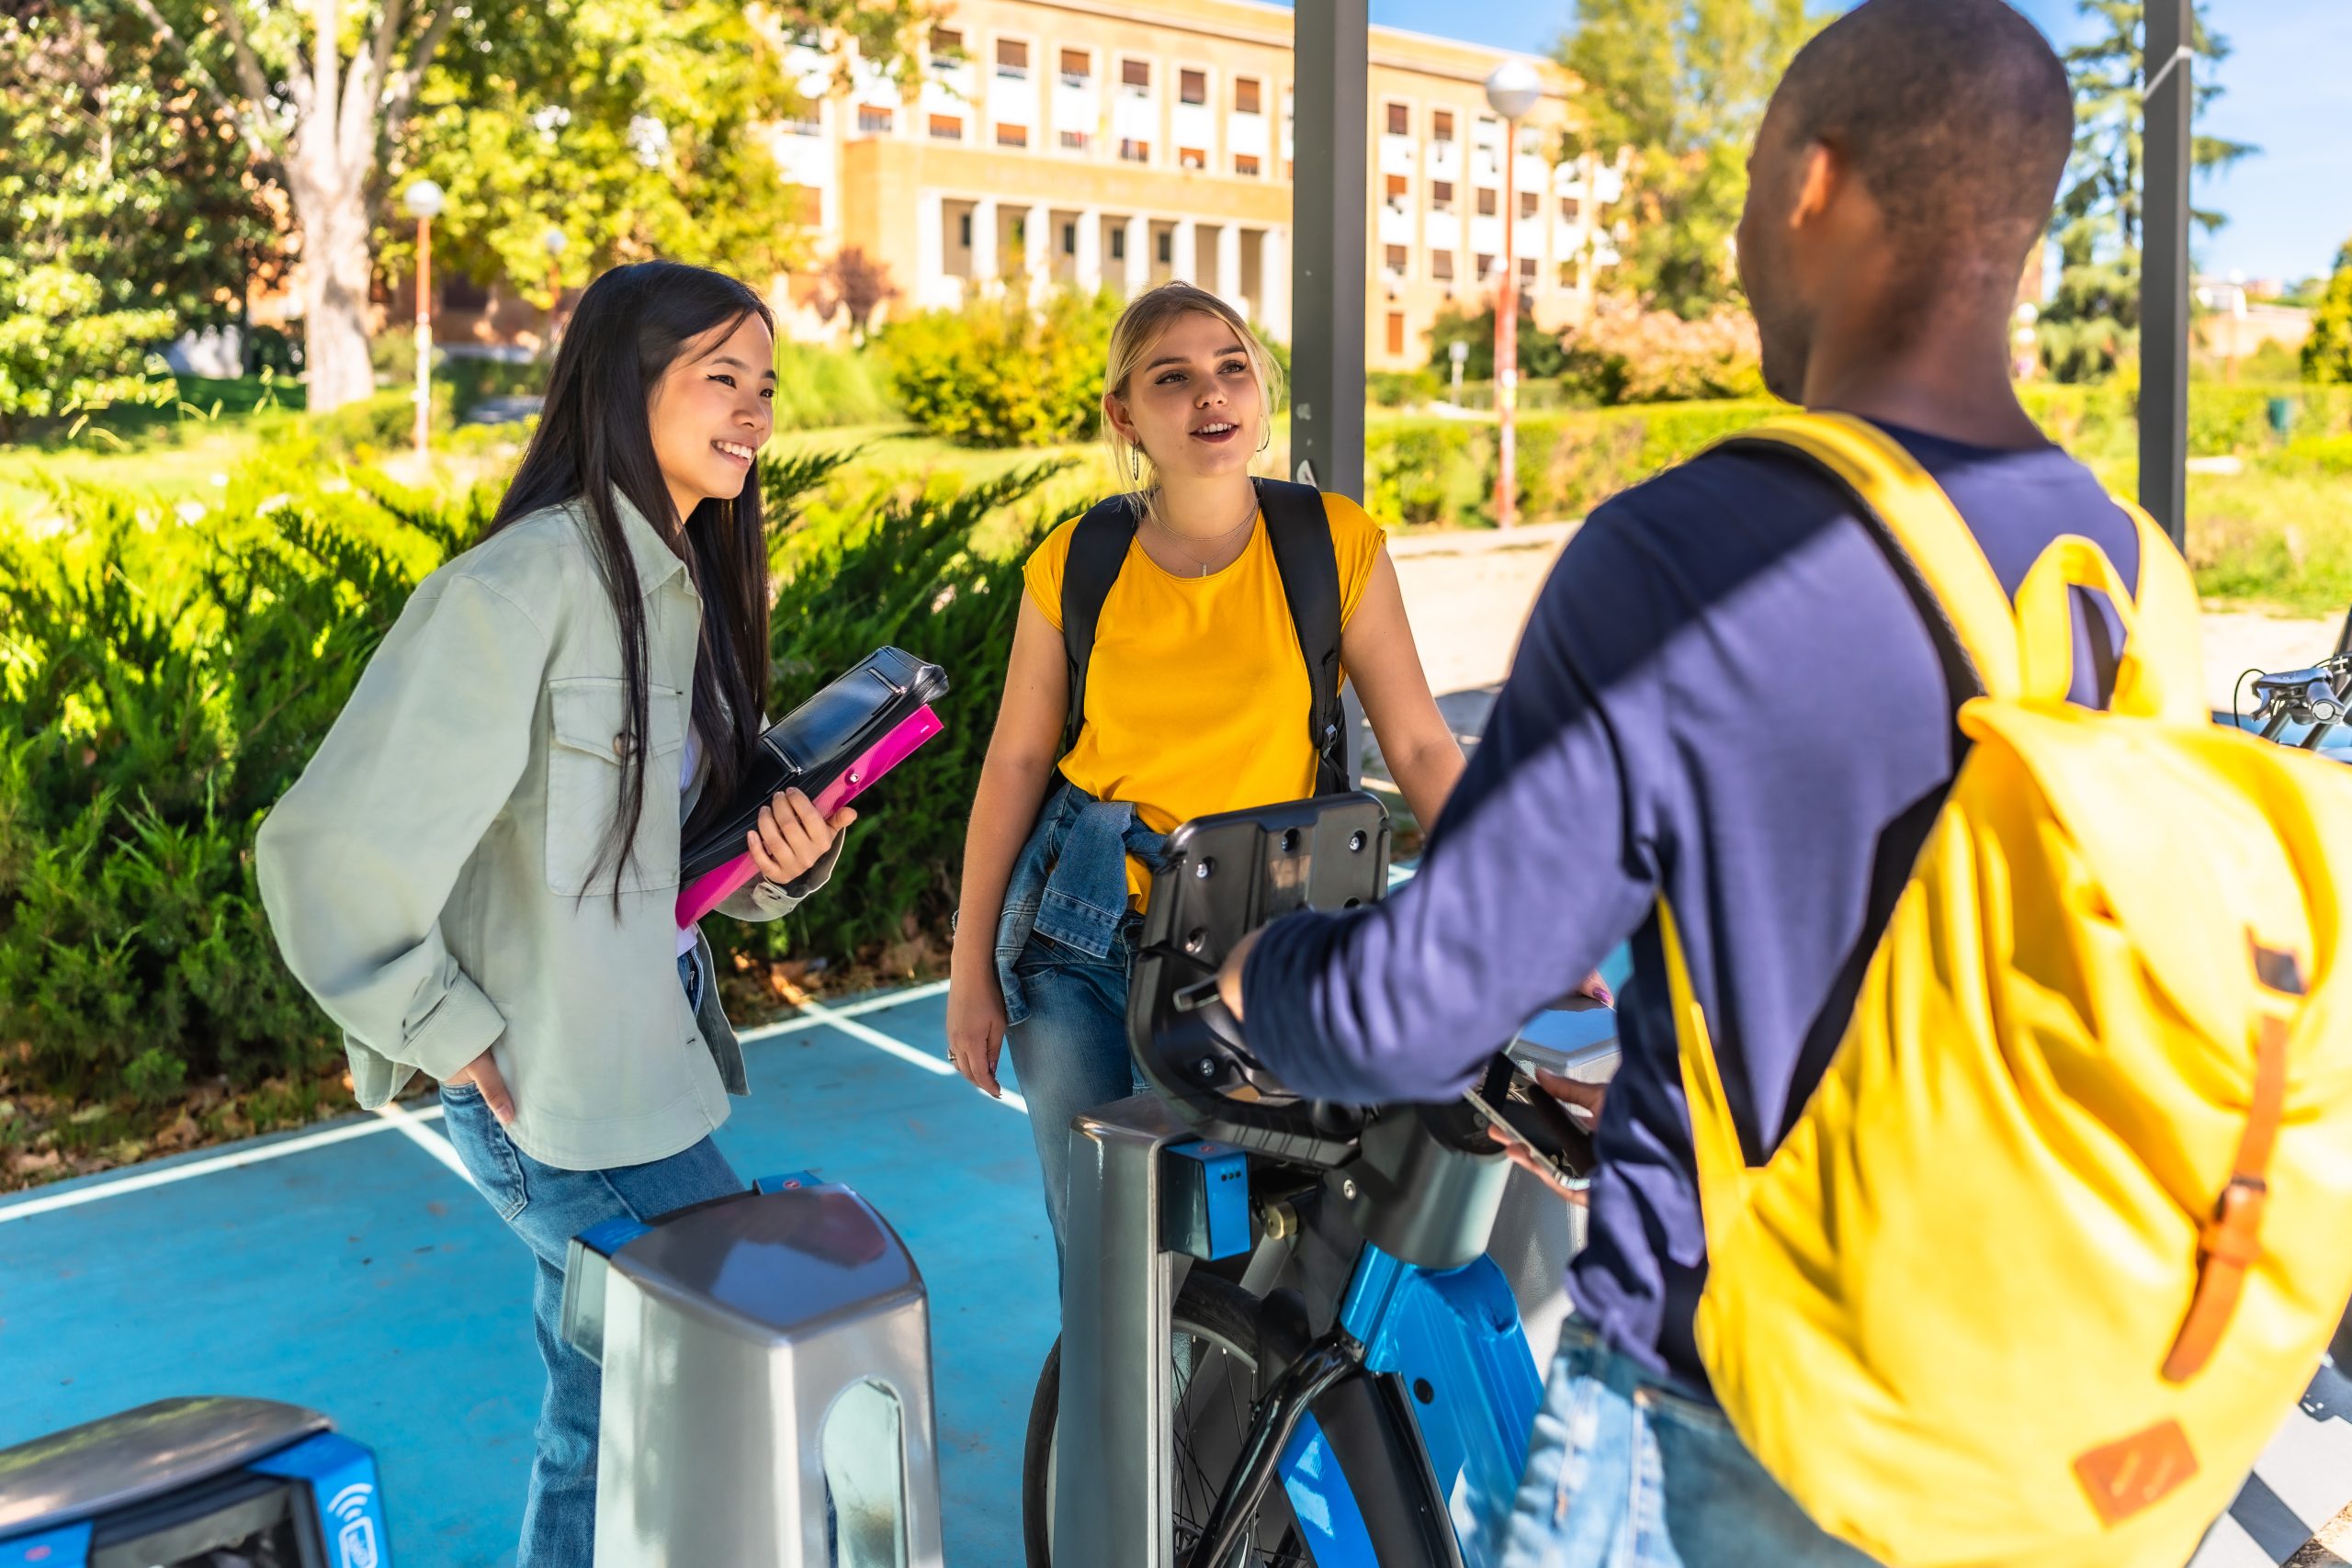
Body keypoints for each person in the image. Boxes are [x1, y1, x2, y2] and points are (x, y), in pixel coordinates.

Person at [1219, 3, 2124, 1562]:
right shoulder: (2115, 569)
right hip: (2029, 1404)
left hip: (1734, 1411)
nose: (1737, 250)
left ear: (1815, 186)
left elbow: (1419, 1015)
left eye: (1755, 186)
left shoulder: (1690, 557)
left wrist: (1265, 967)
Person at [255, 261, 854, 1566]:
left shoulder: (683, 590)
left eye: (765, 384)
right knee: (731, 1390)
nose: (755, 409)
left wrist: (780, 860)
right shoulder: (519, 588)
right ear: (625, 385)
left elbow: (665, 871)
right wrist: (442, 1025)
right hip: (561, 1098)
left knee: (602, 1417)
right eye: (721, 378)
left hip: (653, 1063)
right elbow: (325, 847)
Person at [944, 281, 1477, 1256]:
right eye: (1173, 377)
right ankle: (1096, 1417)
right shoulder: (1075, 561)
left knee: (1235, 1261)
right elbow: (1016, 764)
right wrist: (968, 965)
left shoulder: (1330, 543)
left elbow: (1420, 745)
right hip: (1077, 946)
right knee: (1104, 1263)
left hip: (1255, 947)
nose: (1210, 395)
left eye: (1232, 369)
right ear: (1124, 414)